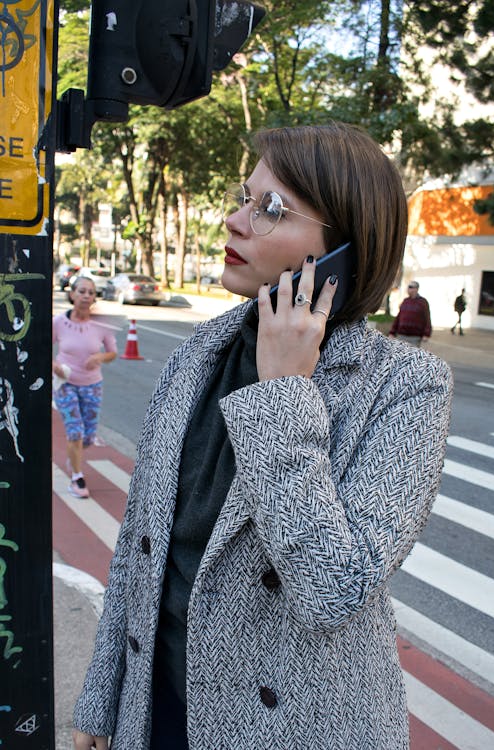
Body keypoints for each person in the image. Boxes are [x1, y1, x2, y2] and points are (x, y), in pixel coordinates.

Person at [72, 123, 452, 750]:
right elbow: (142, 547)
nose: (234, 221)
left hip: (287, 727)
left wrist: (284, 397)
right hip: (162, 703)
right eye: (245, 198)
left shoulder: (406, 387)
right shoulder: (200, 351)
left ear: (345, 251)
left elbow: (333, 591)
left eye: (271, 208)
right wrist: (100, 697)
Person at [53, 276, 117, 498]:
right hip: (65, 384)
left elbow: (112, 352)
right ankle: (77, 477)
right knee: (75, 431)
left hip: (92, 386)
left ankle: (74, 459)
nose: (86, 296)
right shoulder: (59, 322)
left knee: (87, 436)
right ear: (72, 295)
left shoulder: (100, 325)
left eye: (91, 292)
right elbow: (42, 348)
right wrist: (55, 366)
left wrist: (100, 356)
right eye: (82, 291)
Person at [388, 280, 432, 347]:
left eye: (410, 287)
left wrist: (426, 334)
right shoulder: (405, 301)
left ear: (416, 289)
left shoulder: (423, 302)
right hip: (401, 335)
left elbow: (427, 318)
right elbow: (398, 317)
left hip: (415, 337)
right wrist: (392, 332)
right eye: (408, 287)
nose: (408, 289)